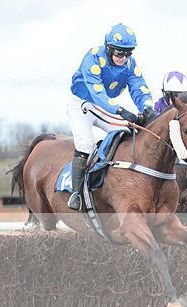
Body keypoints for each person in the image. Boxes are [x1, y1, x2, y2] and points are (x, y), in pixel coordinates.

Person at [66, 23, 155, 211]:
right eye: (119, 53)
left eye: (128, 53)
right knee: (85, 145)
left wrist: (147, 108)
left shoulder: (130, 64)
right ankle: (76, 194)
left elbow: (139, 87)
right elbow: (97, 93)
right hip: (82, 104)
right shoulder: (93, 57)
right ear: (108, 48)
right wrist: (122, 111)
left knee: (128, 135)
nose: (124, 58)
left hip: (105, 107)